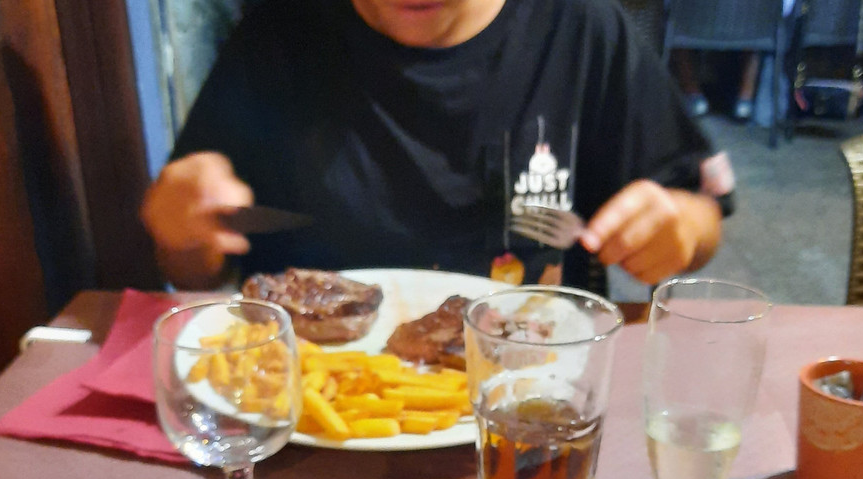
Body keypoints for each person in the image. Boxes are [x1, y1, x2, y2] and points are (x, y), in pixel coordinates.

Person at [141, 0, 735, 292]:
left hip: (523, 413)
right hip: (314, 417)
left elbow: (701, 217)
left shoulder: (580, 26)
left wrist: (680, 228)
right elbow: (194, 270)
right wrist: (180, 234)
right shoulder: (279, 32)